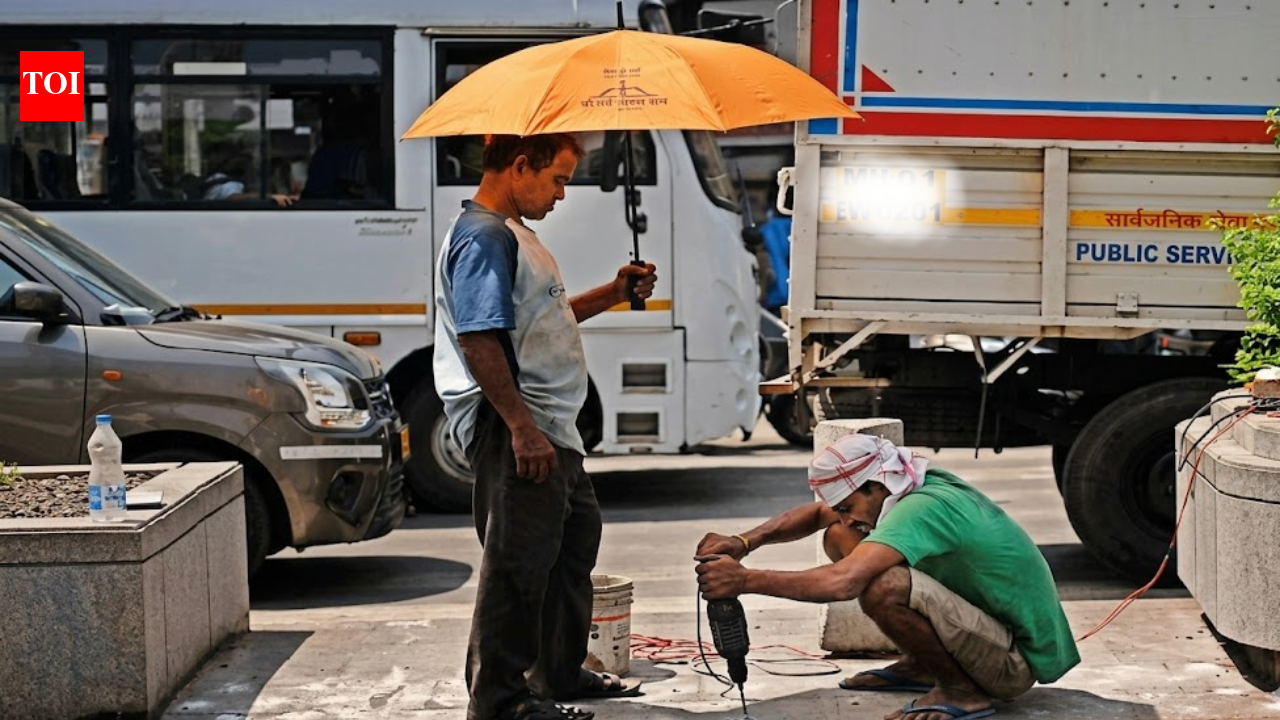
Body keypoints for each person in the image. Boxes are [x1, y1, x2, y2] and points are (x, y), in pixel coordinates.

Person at [433, 133, 655, 720]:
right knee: (518, 563)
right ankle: (500, 701)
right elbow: (479, 338)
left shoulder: (515, 237)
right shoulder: (484, 237)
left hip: (551, 426)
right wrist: (520, 428)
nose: (561, 194)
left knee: (573, 543)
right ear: (520, 166)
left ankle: (557, 671)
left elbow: (541, 321)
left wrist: (612, 292)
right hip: (521, 426)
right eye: (557, 179)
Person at [695, 434, 1079, 720]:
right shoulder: (902, 482)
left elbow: (842, 582)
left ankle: (962, 691)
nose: (844, 515)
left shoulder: (920, 509)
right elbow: (817, 515)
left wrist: (744, 581)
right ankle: (923, 665)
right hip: (991, 635)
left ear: (876, 486)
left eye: (848, 505)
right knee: (842, 536)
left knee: (881, 585)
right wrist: (744, 541)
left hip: (1012, 663)